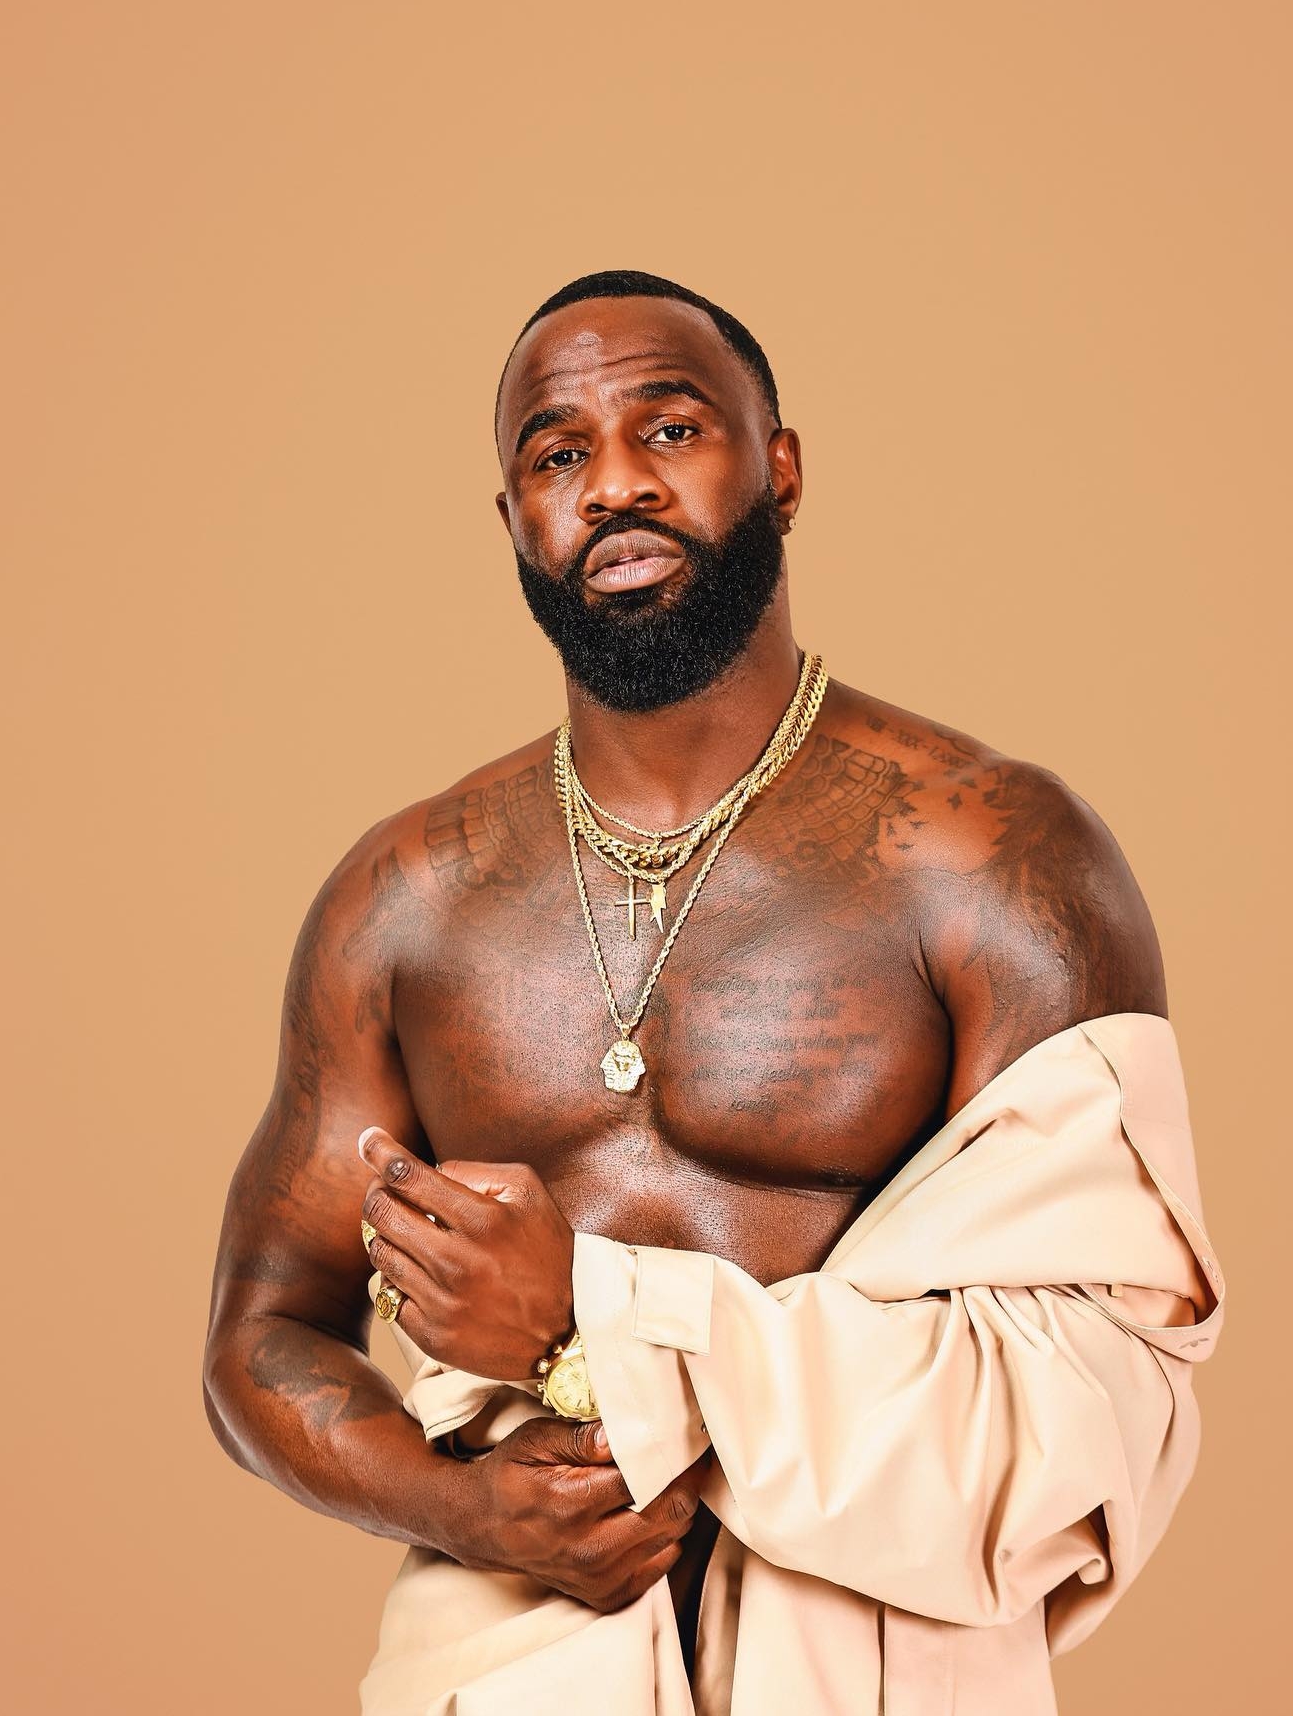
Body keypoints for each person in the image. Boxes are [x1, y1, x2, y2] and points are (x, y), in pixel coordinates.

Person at [202, 269, 1226, 1714]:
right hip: (508, 1677)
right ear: (514, 523)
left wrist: (591, 1320)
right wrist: (467, 1511)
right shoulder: (405, 901)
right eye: (557, 454)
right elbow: (261, 1335)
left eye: (671, 430)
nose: (614, 484)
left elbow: (1093, 1404)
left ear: (781, 471)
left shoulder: (992, 858)